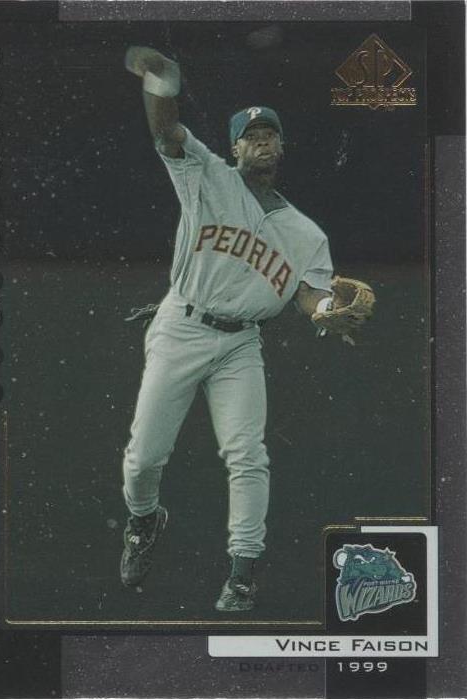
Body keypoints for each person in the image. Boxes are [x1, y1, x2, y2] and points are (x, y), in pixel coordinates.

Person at [120, 46, 371, 612]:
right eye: (250, 136)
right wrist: (161, 84)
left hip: (240, 344)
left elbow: (308, 295)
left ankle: (242, 573)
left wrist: (326, 312)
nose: (260, 142)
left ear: (281, 148)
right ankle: (142, 520)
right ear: (234, 148)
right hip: (182, 325)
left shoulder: (307, 234)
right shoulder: (206, 175)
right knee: (144, 458)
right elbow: (166, 133)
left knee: (247, 455)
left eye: (269, 135)